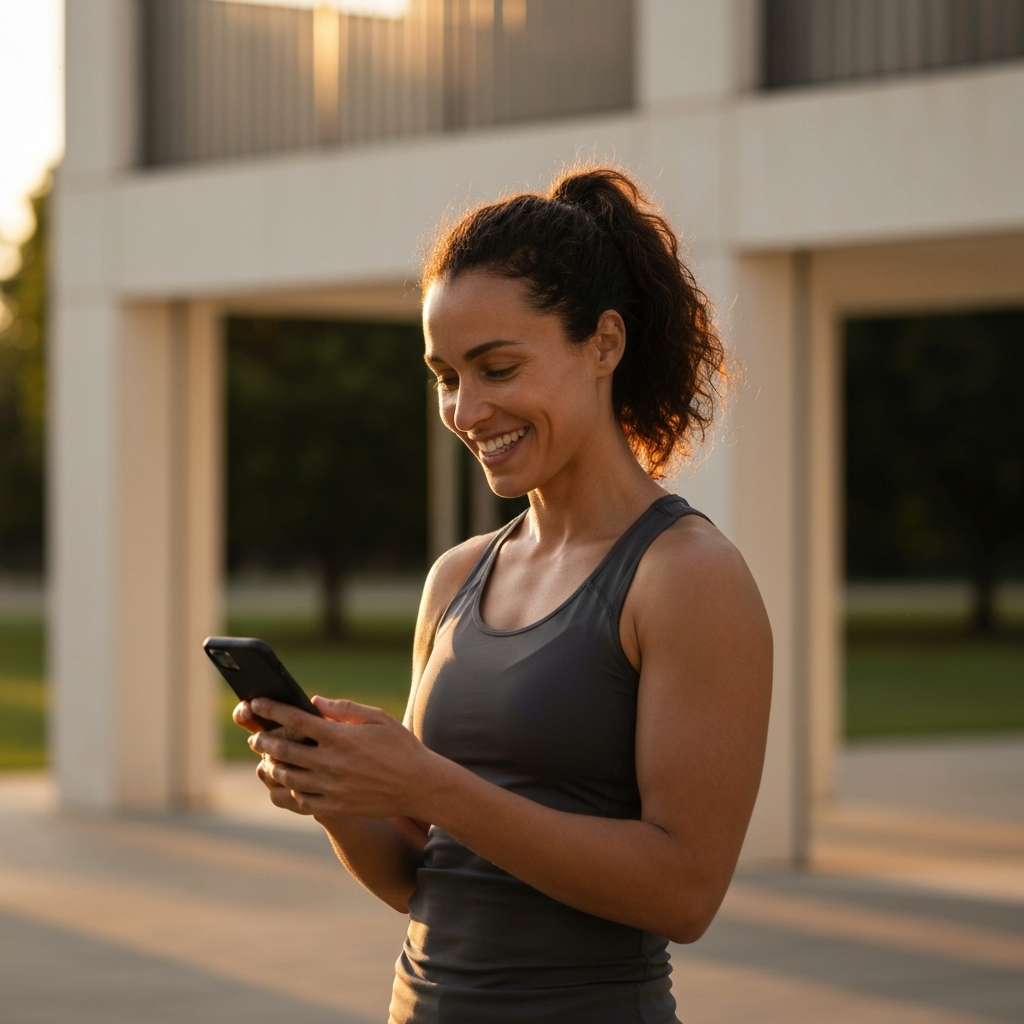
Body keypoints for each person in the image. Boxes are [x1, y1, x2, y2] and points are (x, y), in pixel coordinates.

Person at [233, 166, 773, 1023]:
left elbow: (683, 892)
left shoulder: (687, 576)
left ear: (603, 344)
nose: (466, 408)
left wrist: (431, 783)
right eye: (446, 374)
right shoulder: (456, 577)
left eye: (498, 367)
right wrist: (340, 797)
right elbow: (422, 875)